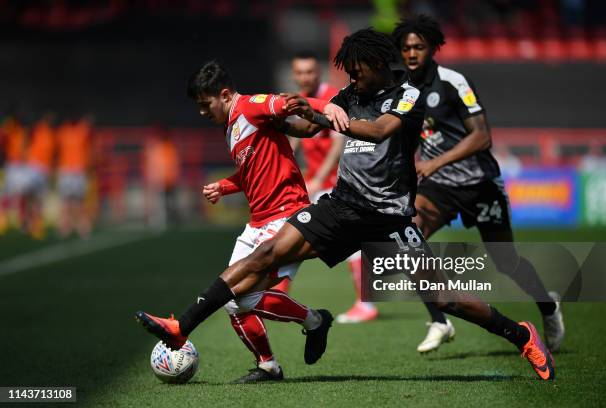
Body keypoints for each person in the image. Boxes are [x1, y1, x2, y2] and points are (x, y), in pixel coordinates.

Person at [136, 30, 555, 381]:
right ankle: (181, 326)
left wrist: (323, 118)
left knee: (446, 300)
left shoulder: (406, 96)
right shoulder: (351, 92)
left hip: (388, 216)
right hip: (342, 204)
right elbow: (309, 126)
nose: (352, 75)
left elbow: (377, 132)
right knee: (266, 254)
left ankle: (521, 336)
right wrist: (290, 119)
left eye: (357, 68)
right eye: (348, 70)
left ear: (377, 63)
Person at [136, 60, 342, 383]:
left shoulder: (251, 107)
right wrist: (225, 186)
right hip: (257, 221)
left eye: (206, 105)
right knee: (234, 303)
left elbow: (289, 102)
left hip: (287, 215)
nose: (203, 112)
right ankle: (268, 366)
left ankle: (314, 321)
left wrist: (331, 108)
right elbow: (250, 172)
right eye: (199, 107)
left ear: (225, 94)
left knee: (240, 295)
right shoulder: (230, 127)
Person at [391, 15, 565, 354]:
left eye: (419, 47)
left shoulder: (452, 81)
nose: (412, 53)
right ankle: (440, 320)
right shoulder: (404, 91)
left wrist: (433, 162)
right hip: (439, 187)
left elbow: (482, 137)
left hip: (479, 182)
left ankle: (548, 305)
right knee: (407, 237)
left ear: (432, 48)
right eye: (406, 48)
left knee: (506, 261)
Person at [287, 52, 378, 323]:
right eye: (300, 72)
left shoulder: (332, 98)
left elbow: (338, 145)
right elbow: (294, 140)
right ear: (295, 75)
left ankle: (367, 304)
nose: (305, 77)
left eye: (310, 72)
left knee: (297, 237)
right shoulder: (298, 101)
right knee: (289, 235)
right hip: (316, 183)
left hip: (335, 184)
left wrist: (318, 179)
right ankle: (272, 294)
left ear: (319, 72)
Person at [56, 115, 92, 238]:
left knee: (79, 202)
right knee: (66, 201)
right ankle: (65, 227)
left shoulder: (81, 129)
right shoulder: (64, 131)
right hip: (66, 170)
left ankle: (82, 227)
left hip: (77, 170)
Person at [0, 113, 28, 233]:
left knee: (20, 194)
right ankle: (3, 220)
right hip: (11, 166)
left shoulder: (23, 132)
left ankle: (22, 221)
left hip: (20, 167)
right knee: (7, 193)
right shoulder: (8, 131)